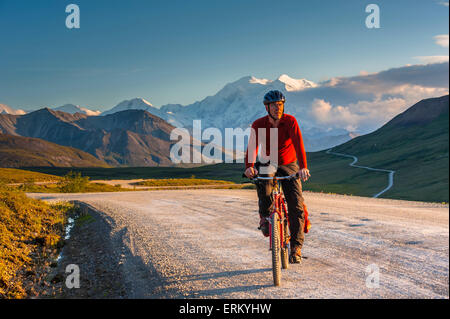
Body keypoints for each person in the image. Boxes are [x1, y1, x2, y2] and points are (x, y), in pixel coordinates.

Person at [244, 90, 310, 263]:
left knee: (296, 207)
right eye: (273, 105)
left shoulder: (290, 121)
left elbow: (298, 143)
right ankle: (266, 217)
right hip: (268, 163)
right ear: (267, 107)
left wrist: (303, 167)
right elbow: (252, 148)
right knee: (263, 187)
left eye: (280, 104)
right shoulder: (258, 124)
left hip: (289, 164)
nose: (277, 108)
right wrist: (249, 167)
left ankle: (296, 248)